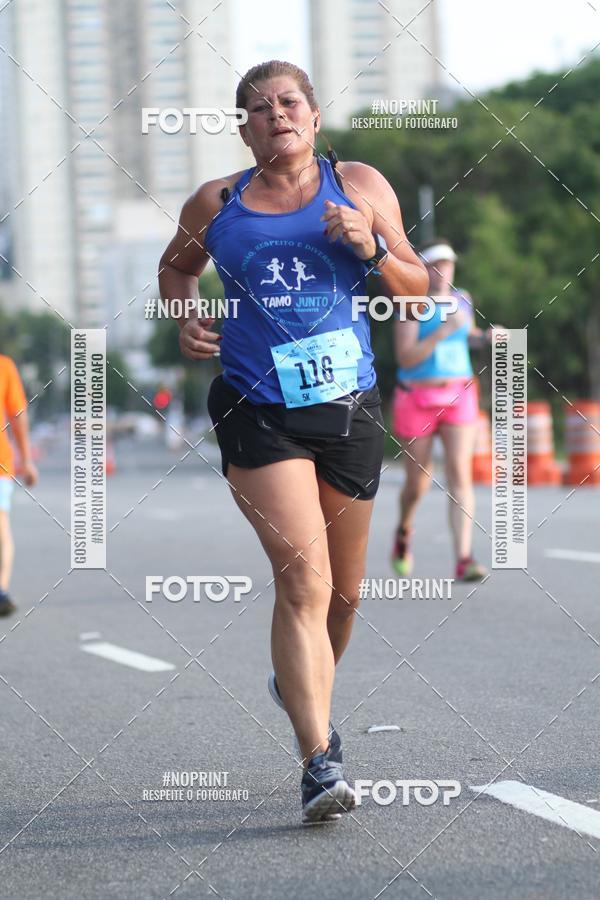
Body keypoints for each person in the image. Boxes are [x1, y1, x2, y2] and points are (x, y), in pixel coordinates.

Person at [158, 60, 428, 824]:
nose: (275, 114)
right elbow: (175, 269)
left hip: (347, 406)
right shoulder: (217, 203)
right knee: (304, 583)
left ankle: (296, 682)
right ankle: (319, 760)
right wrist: (185, 315)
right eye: (257, 108)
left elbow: (419, 288)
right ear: (243, 128)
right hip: (256, 406)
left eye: (288, 102)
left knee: (344, 596)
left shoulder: (363, 186)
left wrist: (373, 246)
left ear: (314, 117)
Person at [391, 239, 492, 582]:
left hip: (459, 393)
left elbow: (470, 336)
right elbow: (405, 357)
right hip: (416, 397)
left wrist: (489, 338)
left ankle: (464, 558)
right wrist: (441, 333)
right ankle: (404, 530)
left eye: (448, 264)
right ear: (423, 268)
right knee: (418, 482)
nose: (443, 270)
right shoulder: (411, 301)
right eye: (436, 264)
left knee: (460, 474)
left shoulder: (462, 300)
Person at [0, 355, 38, 616]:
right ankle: (1, 589)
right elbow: (18, 415)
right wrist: (26, 459)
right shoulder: (4, 366)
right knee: (1, 529)